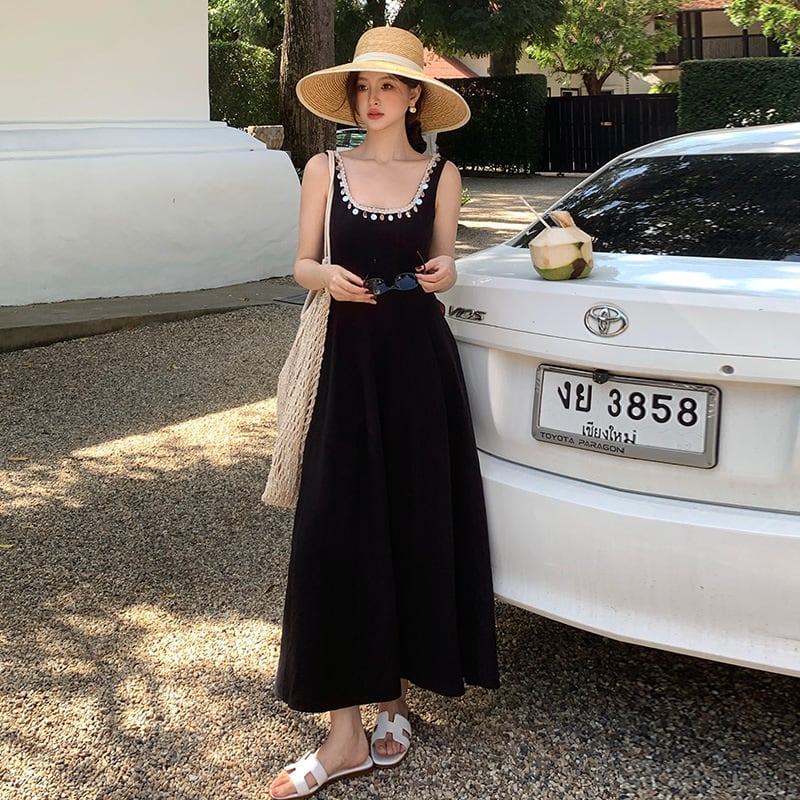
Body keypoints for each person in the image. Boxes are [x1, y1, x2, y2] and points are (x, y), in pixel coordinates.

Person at [269, 26, 499, 800]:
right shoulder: (324, 168)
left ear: (414, 98)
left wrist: (446, 271)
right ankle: (344, 735)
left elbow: (446, 259)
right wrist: (324, 277)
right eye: (363, 87)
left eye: (388, 86)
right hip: (346, 363)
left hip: (419, 368)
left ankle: (394, 703)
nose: (372, 99)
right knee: (336, 529)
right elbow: (300, 262)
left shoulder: (443, 174)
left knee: (410, 523)